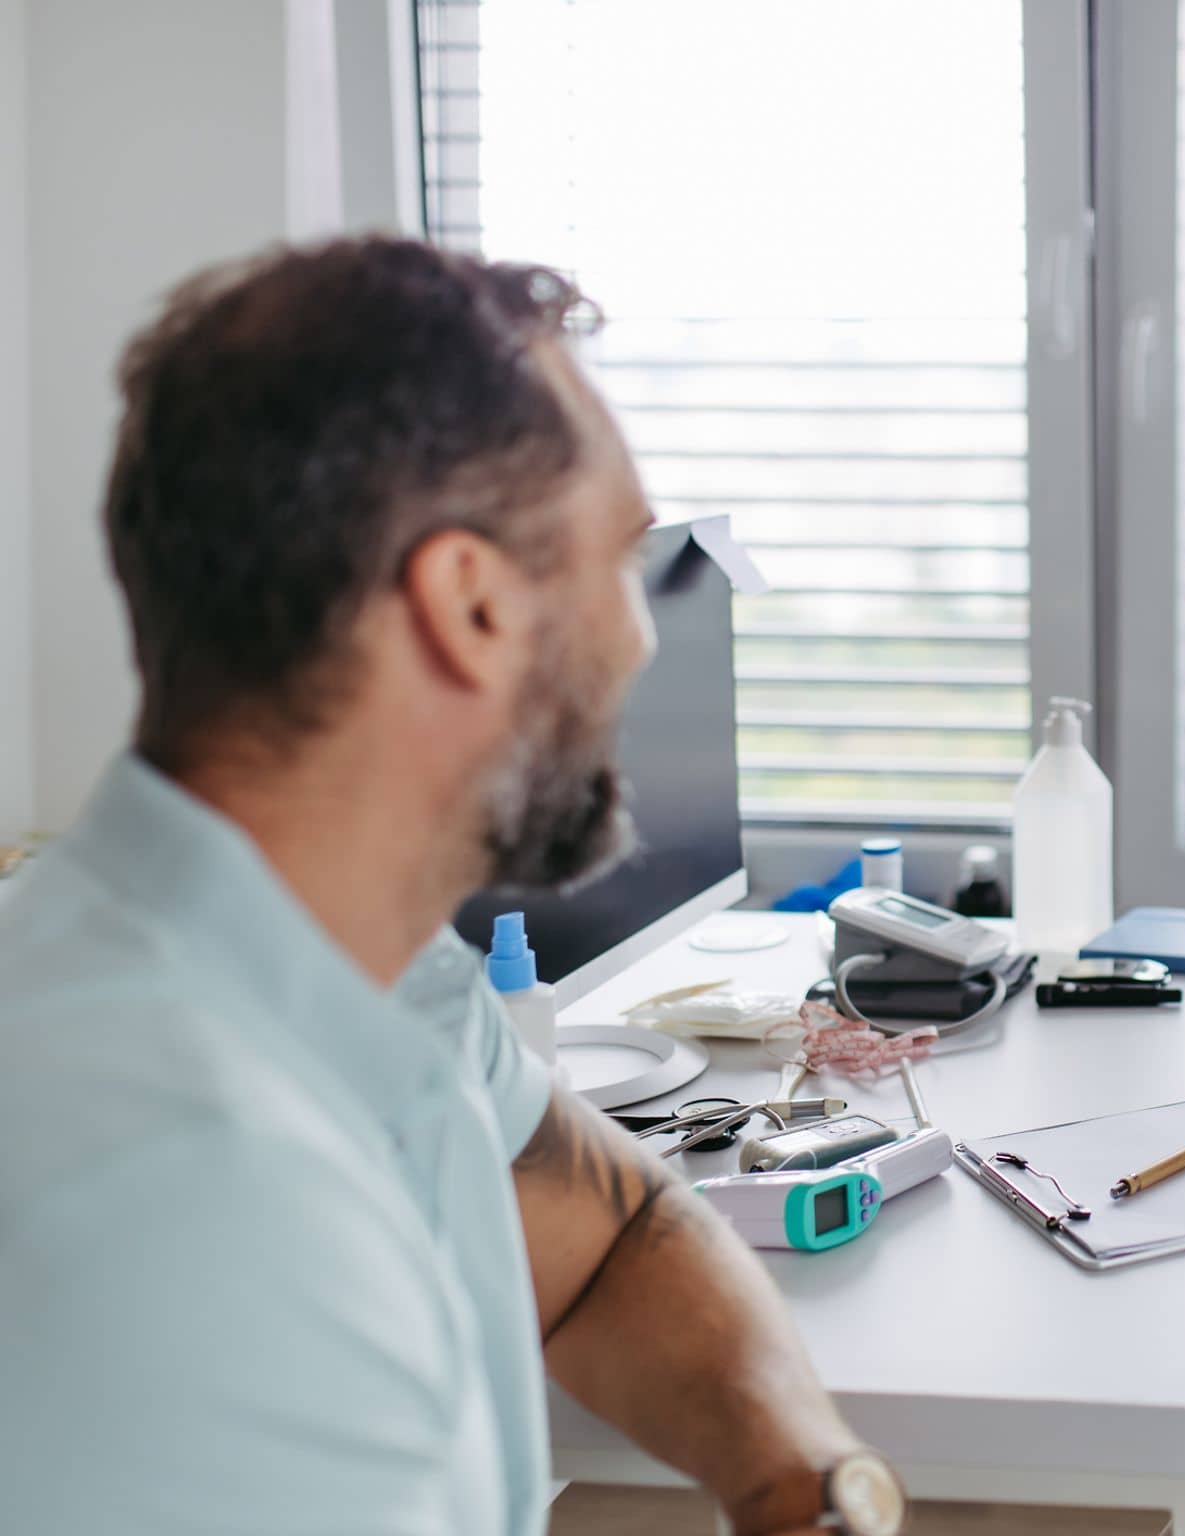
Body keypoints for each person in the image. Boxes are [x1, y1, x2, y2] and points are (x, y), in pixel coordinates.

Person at [0, 238, 905, 1536]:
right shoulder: (187, 1202)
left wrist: (801, 1492)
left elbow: (612, 1236)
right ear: (468, 606)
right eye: (615, 562)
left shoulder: (376, 978)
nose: (644, 632)